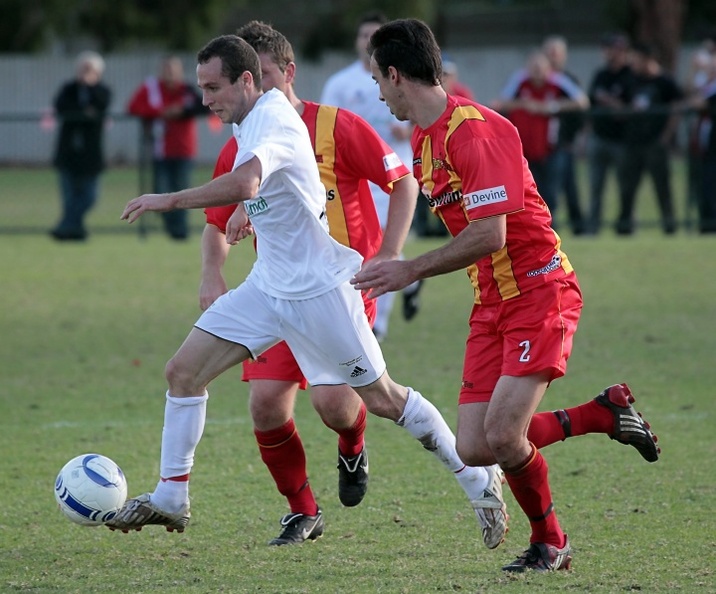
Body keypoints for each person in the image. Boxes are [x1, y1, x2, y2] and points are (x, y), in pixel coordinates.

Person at [106, 34, 508, 551]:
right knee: (183, 373)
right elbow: (268, 192)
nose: (205, 100)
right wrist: (251, 219)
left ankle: (478, 480)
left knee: (383, 400)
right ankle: (171, 495)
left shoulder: (273, 118)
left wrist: (167, 199)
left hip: (321, 292)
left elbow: (249, 182)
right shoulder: (252, 121)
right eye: (201, 88)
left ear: (247, 80)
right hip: (269, 288)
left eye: (213, 87)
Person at [354, 18, 660, 573]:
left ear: (397, 75)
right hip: (491, 301)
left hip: (541, 290)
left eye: (377, 78)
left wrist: (410, 270)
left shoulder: (475, 130)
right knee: (475, 447)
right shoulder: (424, 139)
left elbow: (491, 233)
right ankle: (601, 413)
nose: (376, 90)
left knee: (502, 435)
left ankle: (551, 542)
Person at [320, 11, 423, 340]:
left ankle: (377, 322)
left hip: (394, 174)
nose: (368, 41)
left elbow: (427, 110)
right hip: (354, 177)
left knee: (380, 243)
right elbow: (325, 125)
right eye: (364, 35)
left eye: (374, 35)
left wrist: (408, 128)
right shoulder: (340, 83)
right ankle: (407, 282)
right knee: (374, 242)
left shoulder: (403, 77)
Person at [493, 49, 588, 233]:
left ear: (548, 69)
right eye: (533, 68)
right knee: (528, 191)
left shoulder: (558, 81)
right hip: (525, 149)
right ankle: (534, 227)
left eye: (541, 68)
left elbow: (582, 101)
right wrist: (524, 105)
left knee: (551, 191)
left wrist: (550, 107)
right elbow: (499, 103)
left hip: (552, 147)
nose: (537, 72)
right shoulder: (520, 80)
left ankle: (550, 227)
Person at [127, 55, 208, 240]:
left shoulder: (187, 90)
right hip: (160, 150)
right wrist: (159, 113)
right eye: (167, 70)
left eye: (173, 70)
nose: (170, 74)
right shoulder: (152, 89)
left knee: (182, 190)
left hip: (183, 150)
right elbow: (132, 107)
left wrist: (182, 111)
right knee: (160, 189)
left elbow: (203, 106)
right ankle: (171, 228)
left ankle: (179, 232)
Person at [615, 42, 684, 235]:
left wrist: (667, 135)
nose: (632, 63)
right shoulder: (630, 80)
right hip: (632, 143)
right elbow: (621, 105)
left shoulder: (665, 82)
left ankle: (669, 227)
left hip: (655, 143)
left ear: (648, 60)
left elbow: (677, 108)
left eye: (636, 59)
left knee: (662, 187)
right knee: (627, 187)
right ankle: (625, 228)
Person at [50, 51, 112, 241]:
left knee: (89, 196)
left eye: (89, 69)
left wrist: (89, 92)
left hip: (91, 156)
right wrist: (85, 113)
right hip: (68, 153)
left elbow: (100, 106)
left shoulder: (102, 90)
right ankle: (75, 233)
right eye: (82, 69)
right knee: (69, 198)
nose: (85, 73)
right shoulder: (68, 89)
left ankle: (64, 227)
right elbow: (61, 107)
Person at [585, 33, 634, 235]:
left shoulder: (630, 76)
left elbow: (633, 109)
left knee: (625, 187)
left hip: (621, 141)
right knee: (595, 187)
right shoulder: (601, 75)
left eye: (612, 48)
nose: (609, 53)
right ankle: (593, 228)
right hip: (599, 138)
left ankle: (625, 227)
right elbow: (589, 104)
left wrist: (611, 103)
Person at [542, 35, 587, 235]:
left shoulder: (567, 81)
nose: (553, 59)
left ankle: (579, 227)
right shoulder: (534, 80)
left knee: (569, 189)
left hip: (564, 143)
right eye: (549, 54)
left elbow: (581, 106)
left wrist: (553, 107)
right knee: (547, 189)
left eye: (556, 54)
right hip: (540, 147)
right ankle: (549, 228)